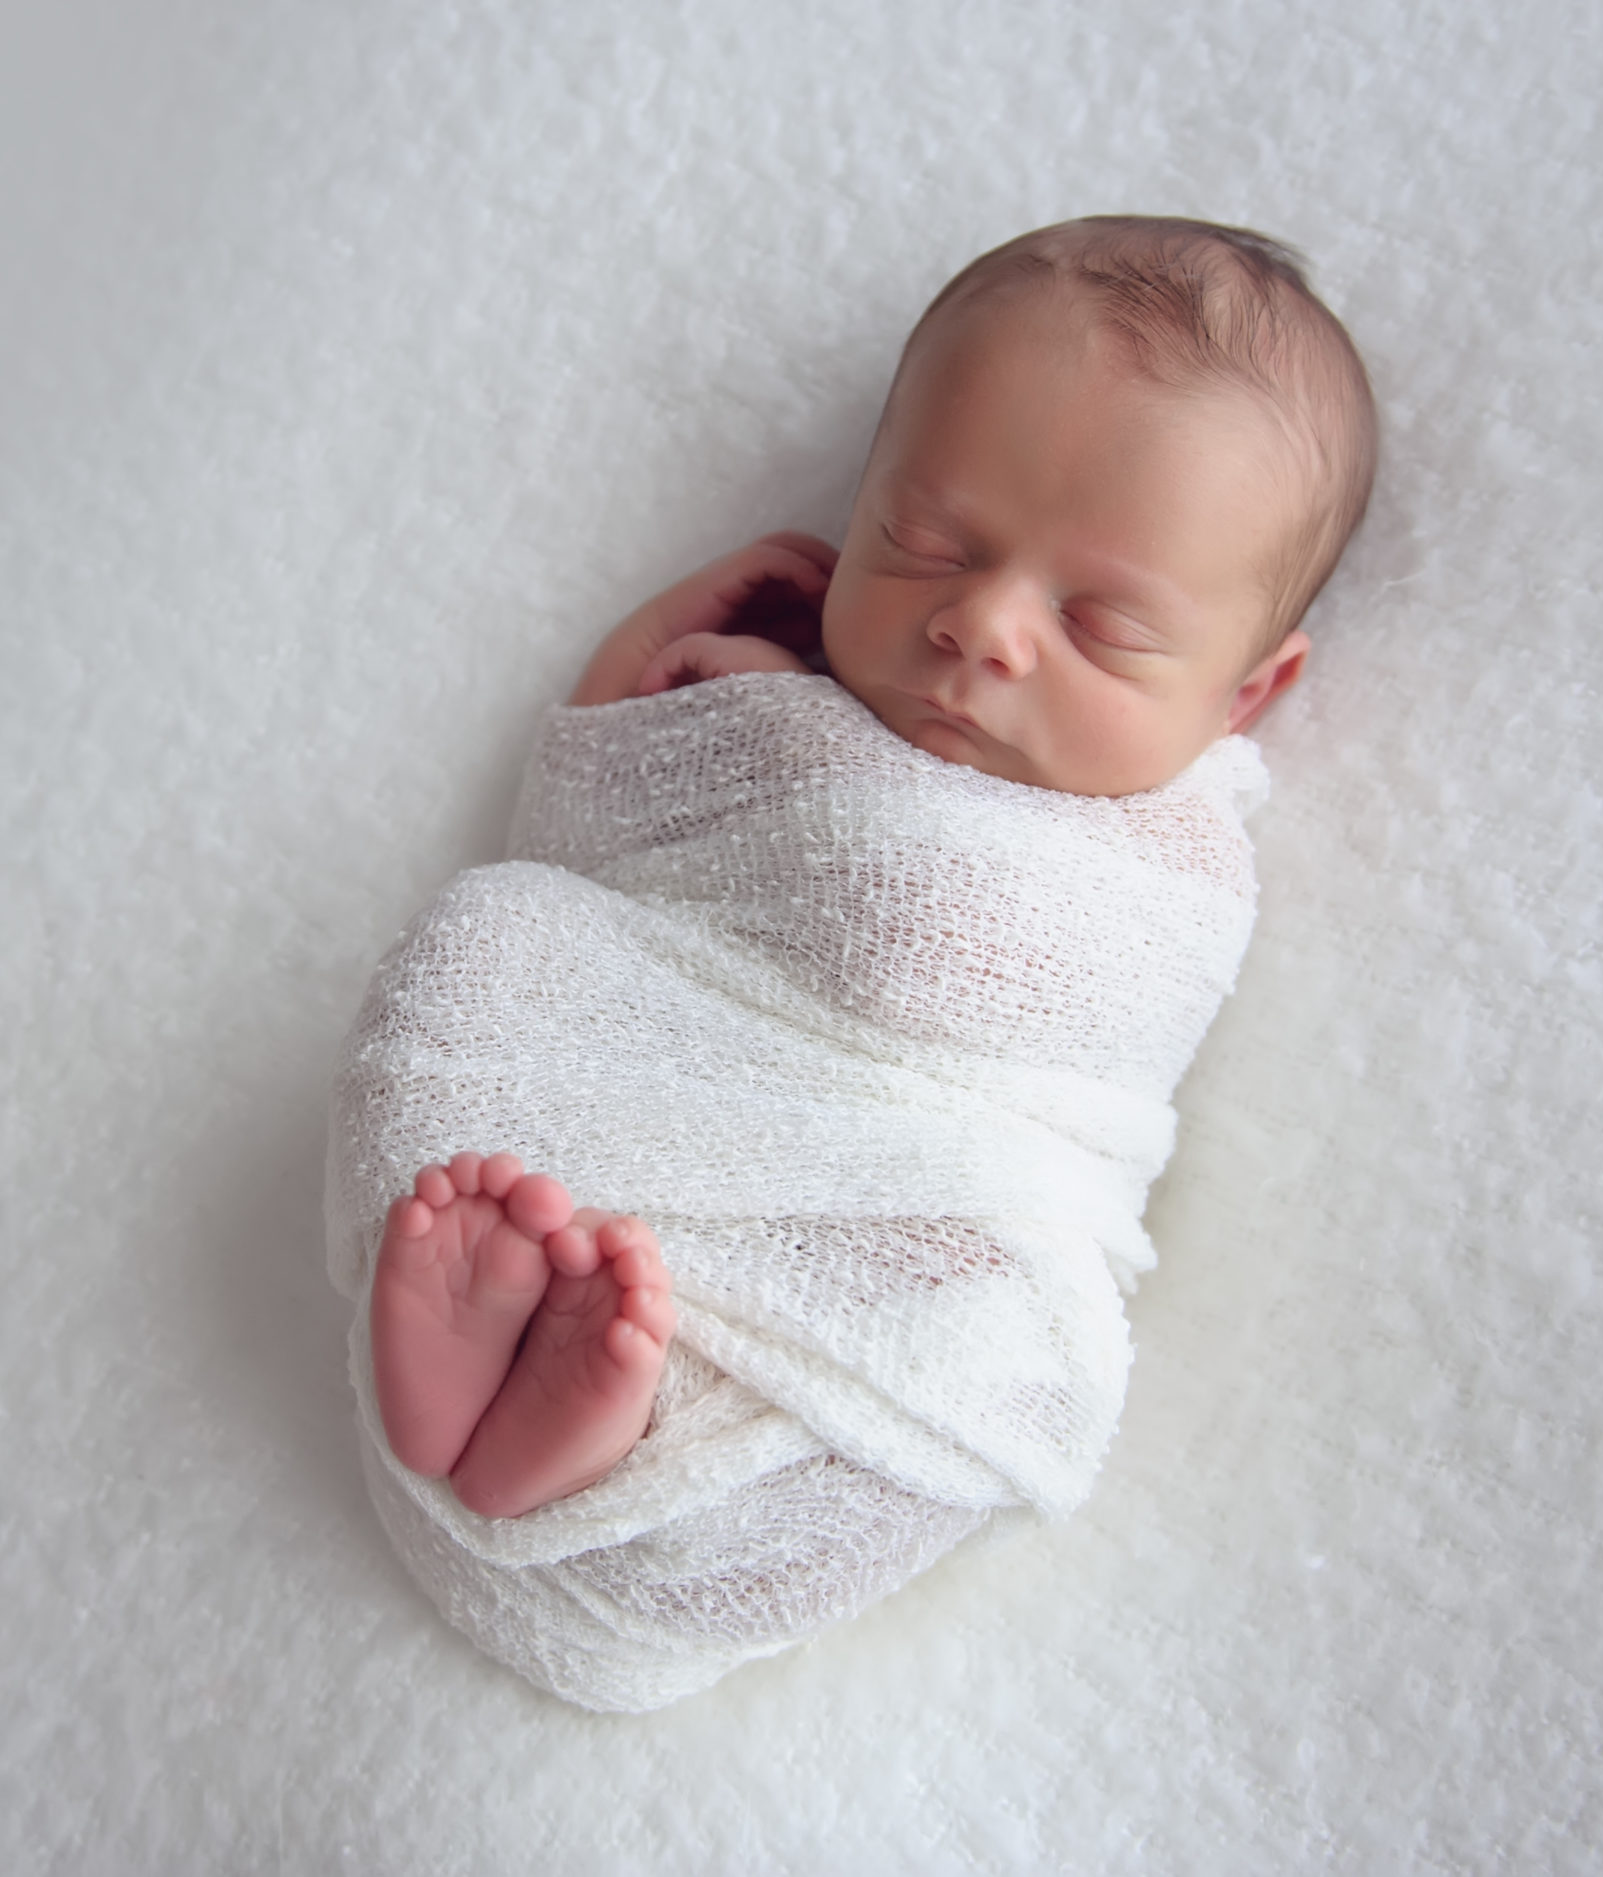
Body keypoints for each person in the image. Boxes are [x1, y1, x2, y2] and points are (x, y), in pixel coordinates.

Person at [331, 215, 1377, 1705]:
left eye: (1101, 624)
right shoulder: (778, 711)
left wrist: (883, 875)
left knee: (999, 1350)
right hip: (652, 1117)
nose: (983, 626)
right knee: (486, 949)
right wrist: (679, 696)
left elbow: (1016, 1019)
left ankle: (616, 1444)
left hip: (913, 1224)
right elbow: (586, 858)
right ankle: (496, 1372)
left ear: (1245, 695)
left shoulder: (1176, 861)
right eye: (927, 544)